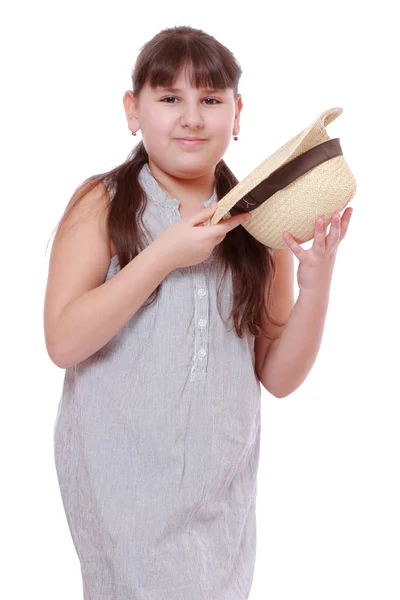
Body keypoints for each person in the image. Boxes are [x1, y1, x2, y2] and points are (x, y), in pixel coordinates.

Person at [44, 24, 352, 600]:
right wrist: (163, 255)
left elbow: (278, 375)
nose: (192, 118)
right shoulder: (104, 204)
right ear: (133, 110)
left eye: (211, 100)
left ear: (237, 116)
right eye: (169, 99)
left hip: (219, 495)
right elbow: (62, 341)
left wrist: (316, 283)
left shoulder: (259, 222)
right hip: (122, 487)